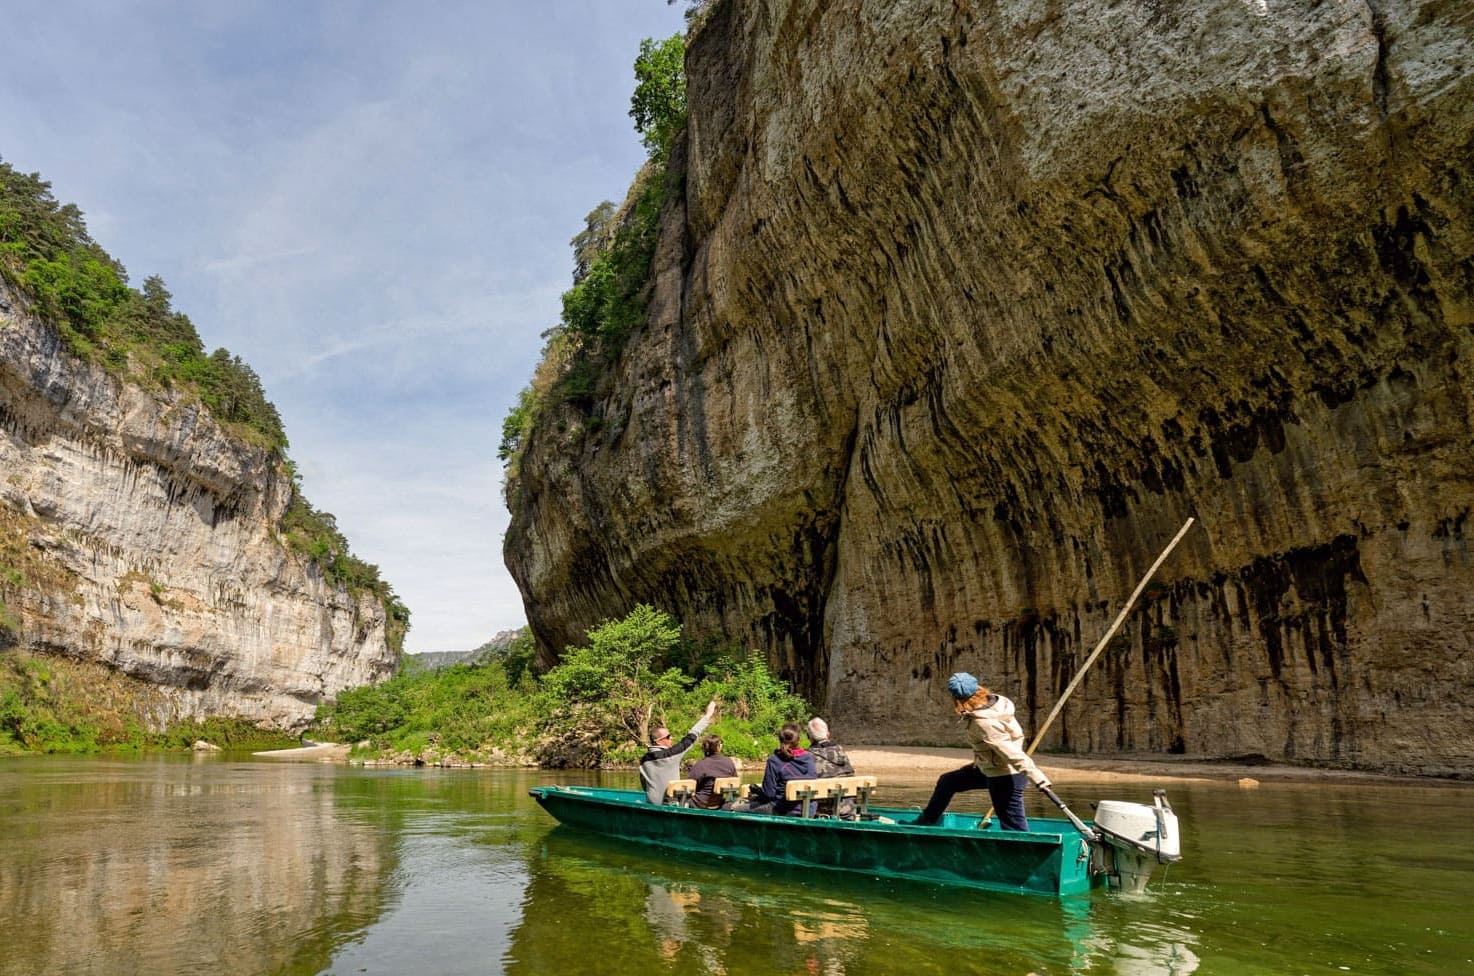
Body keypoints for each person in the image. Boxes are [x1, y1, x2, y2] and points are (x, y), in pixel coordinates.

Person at [914, 672, 1051, 830]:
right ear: (978, 687)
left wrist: (1039, 779)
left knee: (1014, 828)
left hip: (1006, 776)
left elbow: (1011, 753)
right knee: (948, 782)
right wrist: (979, 761)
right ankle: (926, 821)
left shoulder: (983, 723)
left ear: (956, 698)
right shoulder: (997, 703)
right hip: (989, 769)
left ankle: (1027, 852)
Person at [639, 700, 717, 804]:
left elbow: (644, 785)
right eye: (668, 737)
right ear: (658, 741)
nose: (671, 738)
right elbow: (691, 737)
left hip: (652, 804)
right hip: (671, 804)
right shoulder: (671, 755)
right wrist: (707, 716)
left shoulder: (643, 760)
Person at [735, 722, 815, 815]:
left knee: (730, 808)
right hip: (809, 809)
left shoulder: (774, 760)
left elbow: (769, 795)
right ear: (799, 740)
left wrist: (756, 791)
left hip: (782, 809)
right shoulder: (809, 757)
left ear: (780, 740)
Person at [806, 717, 856, 818]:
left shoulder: (807, 757)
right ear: (828, 734)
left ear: (809, 737)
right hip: (848, 810)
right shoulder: (841, 752)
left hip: (822, 812)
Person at [686, 734, 738, 809]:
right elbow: (734, 782)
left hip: (700, 803)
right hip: (718, 803)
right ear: (719, 747)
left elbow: (689, 784)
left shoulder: (701, 764)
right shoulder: (729, 762)